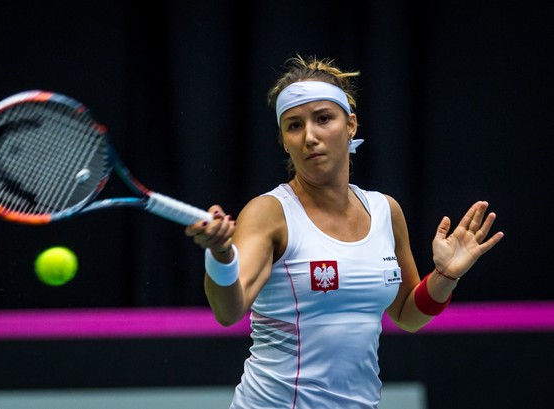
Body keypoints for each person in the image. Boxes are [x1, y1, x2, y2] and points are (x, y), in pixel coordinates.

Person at [185, 54, 504, 409]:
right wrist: (221, 255)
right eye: (294, 125)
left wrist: (445, 276)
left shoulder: (386, 211)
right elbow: (228, 312)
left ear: (351, 124)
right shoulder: (269, 213)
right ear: (284, 140)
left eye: (323, 119)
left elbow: (407, 315)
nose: (310, 136)